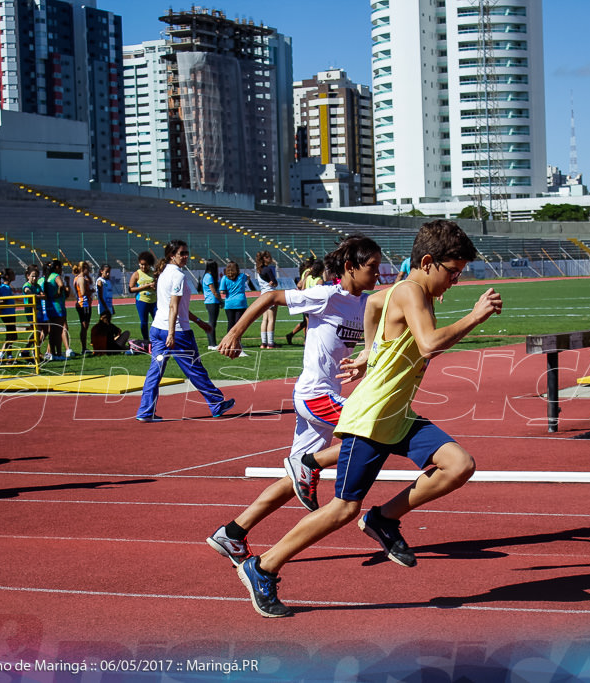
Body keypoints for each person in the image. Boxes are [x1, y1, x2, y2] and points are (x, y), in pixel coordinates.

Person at [234, 219, 503, 617]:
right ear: (428, 262)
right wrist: (475, 316)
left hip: (397, 415)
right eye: (453, 272)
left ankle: (384, 518)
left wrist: (370, 354)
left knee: (458, 465)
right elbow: (428, 345)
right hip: (371, 418)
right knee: (343, 509)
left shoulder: (403, 291)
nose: (455, 282)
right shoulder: (412, 291)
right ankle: (263, 566)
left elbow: (375, 306)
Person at [207, 236, 383, 566]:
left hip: (327, 397)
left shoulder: (366, 303)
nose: (379, 274)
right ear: (350, 267)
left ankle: (232, 533)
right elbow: (271, 296)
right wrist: (234, 334)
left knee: (292, 483)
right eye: (372, 268)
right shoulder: (326, 296)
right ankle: (307, 466)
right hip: (315, 395)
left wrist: (362, 359)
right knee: (371, 430)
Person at [135, 240, 236, 423]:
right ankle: (216, 402)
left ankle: (145, 410)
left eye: (186, 253)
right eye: (182, 253)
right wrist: (172, 333)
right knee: (195, 369)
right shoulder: (178, 276)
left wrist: (198, 321)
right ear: (171, 255)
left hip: (158, 329)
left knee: (154, 372)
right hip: (177, 333)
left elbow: (177, 307)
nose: (185, 257)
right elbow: (174, 307)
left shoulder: (163, 274)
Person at [219, 260, 252, 337]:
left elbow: (222, 291)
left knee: (230, 323)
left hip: (229, 303)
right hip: (240, 302)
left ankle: (229, 342)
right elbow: (248, 277)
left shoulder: (224, 278)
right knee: (238, 324)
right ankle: (237, 342)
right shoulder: (241, 276)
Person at [129, 251, 157, 341]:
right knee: (144, 322)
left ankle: (157, 339)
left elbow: (159, 286)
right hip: (142, 301)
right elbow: (131, 289)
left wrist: (155, 286)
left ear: (150, 264)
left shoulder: (154, 273)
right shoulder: (136, 274)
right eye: (141, 264)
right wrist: (146, 286)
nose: (143, 267)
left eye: (146, 265)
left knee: (157, 321)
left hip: (154, 301)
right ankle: (146, 341)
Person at [255, 251, 279, 349]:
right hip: (270, 295)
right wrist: (273, 283)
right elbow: (275, 282)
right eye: (269, 257)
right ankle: (270, 343)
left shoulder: (259, 270)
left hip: (263, 295)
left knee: (264, 319)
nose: (270, 259)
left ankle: (263, 343)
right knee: (271, 319)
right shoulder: (268, 269)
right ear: (265, 258)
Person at [23, 264, 46, 359]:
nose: (35, 278)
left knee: (42, 331)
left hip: (38, 310)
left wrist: (36, 296)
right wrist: (37, 296)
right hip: (31, 311)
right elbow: (28, 292)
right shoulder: (27, 285)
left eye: (36, 276)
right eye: (32, 276)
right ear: (28, 276)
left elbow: (43, 295)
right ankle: (32, 350)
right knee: (37, 330)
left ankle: (30, 349)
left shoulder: (37, 285)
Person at [0, 268, 18, 359]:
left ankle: (9, 354)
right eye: (12, 273)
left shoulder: (7, 287)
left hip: (10, 313)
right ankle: (1, 354)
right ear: (8, 276)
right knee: (12, 335)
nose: (14, 275)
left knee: (11, 335)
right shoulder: (5, 287)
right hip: (8, 313)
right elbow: (3, 300)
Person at [72, 261, 93, 355]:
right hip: (84, 304)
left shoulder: (78, 278)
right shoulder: (81, 279)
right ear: (83, 268)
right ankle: (84, 348)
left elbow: (91, 281)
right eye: (87, 268)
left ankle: (84, 347)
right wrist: (91, 291)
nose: (89, 270)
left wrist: (87, 275)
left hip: (83, 304)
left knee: (85, 326)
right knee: (84, 326)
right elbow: (83, 292)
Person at [201, 259, 222, 350]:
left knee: (213, 322)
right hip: (212, 301)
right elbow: (213, 291)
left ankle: (212, 343)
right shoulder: (208, 276)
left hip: (212, 301)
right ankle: (212, 344)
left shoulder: (207, 276)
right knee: (212, 323)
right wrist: (221, 300)